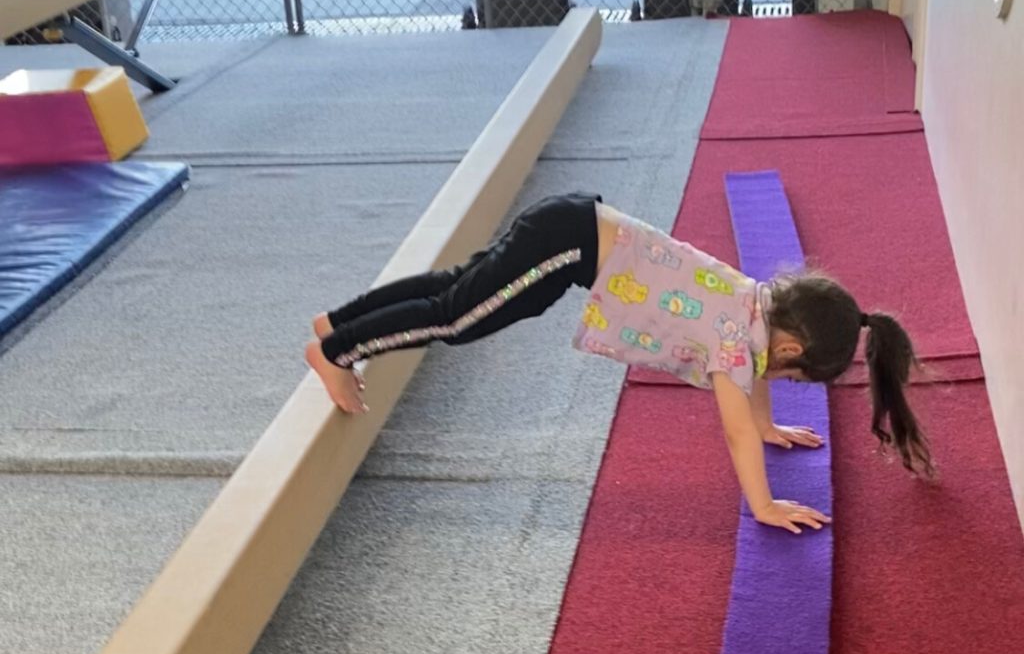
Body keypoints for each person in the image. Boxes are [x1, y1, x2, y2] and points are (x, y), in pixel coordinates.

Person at [305, 193, 934, 534]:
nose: (781, 381)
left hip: (574, 226)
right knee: (458, 318)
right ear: (792, 350)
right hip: (570, 244)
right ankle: (337, 351)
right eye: (794, 375)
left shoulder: (758, 307)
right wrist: (764, 505)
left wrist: (771, 425)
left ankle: (338, 321)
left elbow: (757, 383)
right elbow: (736, 422)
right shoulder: (734, 340)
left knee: (456, 287)